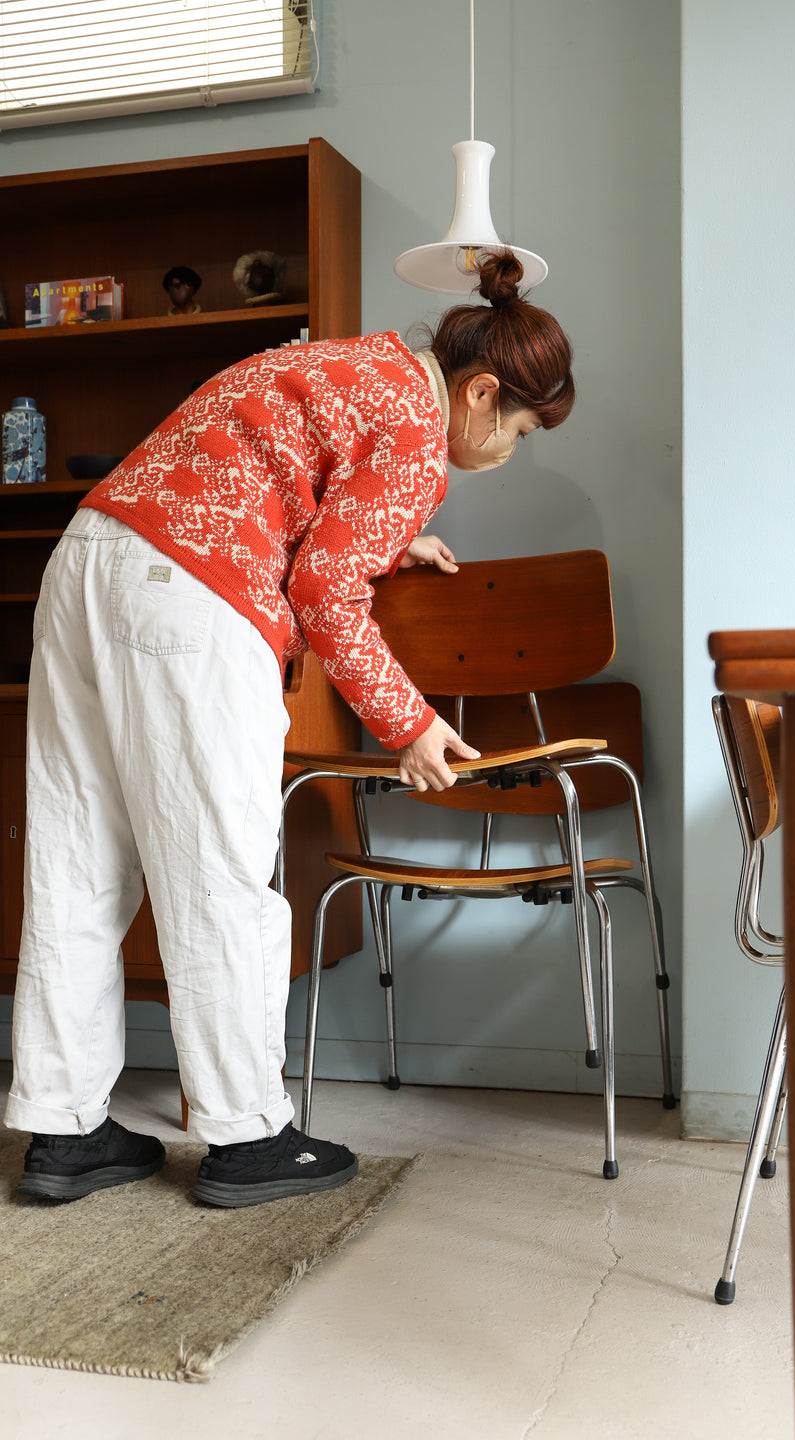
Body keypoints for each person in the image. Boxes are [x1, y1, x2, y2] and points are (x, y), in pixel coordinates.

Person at [4, 250, 575, 1207]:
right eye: (516, 428)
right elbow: (321, 583)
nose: (507, 447)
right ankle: (246, 1136)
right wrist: (409, 723)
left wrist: (390, 535)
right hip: (191, 598)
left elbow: (295, 491)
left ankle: (64, 1131)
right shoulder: (418, 441)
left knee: (74, 861)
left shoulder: (355, 364)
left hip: (86, 562)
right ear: (478, 394)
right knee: (219, 871)